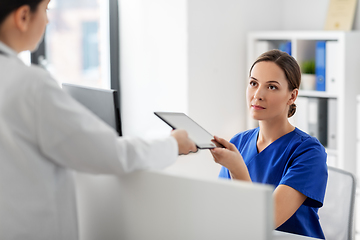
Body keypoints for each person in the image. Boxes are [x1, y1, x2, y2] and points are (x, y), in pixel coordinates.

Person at [0, 0, 197, 239]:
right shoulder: (30, 85)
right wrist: (173, 144)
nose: (48, 20)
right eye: (46, 10)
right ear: (22, 17)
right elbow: (112, 155)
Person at [210, 49, 328, 239]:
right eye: (253, 83)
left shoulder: (310, 152)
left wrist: (237, 168)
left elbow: (264, 221)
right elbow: (224, 210)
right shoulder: (238, 143)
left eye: (271, 87)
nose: (257, 94)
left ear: (292, 96)